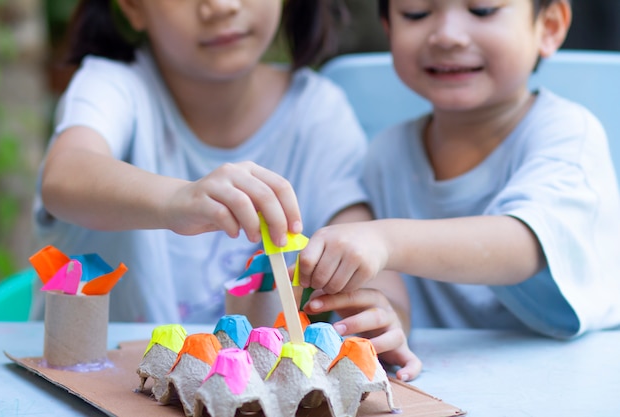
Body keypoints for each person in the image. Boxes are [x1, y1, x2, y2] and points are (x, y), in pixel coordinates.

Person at [30, 0, 419, 379]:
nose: (221, 6)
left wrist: (384, 316)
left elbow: (360, 243)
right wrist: (176, 200)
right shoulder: (111, 84)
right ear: (131, 6)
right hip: (95, 386)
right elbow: (66, 175)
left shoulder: (317, 110)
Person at [299, 0, 620, 341]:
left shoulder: (568, 133)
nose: (447, 37)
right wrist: (391, 319)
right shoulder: (386, 154)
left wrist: (384, 239)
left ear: (549, 25)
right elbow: (392, 286)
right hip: (440, 383)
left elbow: (526, 244)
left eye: (483, 10)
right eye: (416, 14)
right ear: (389, 29)